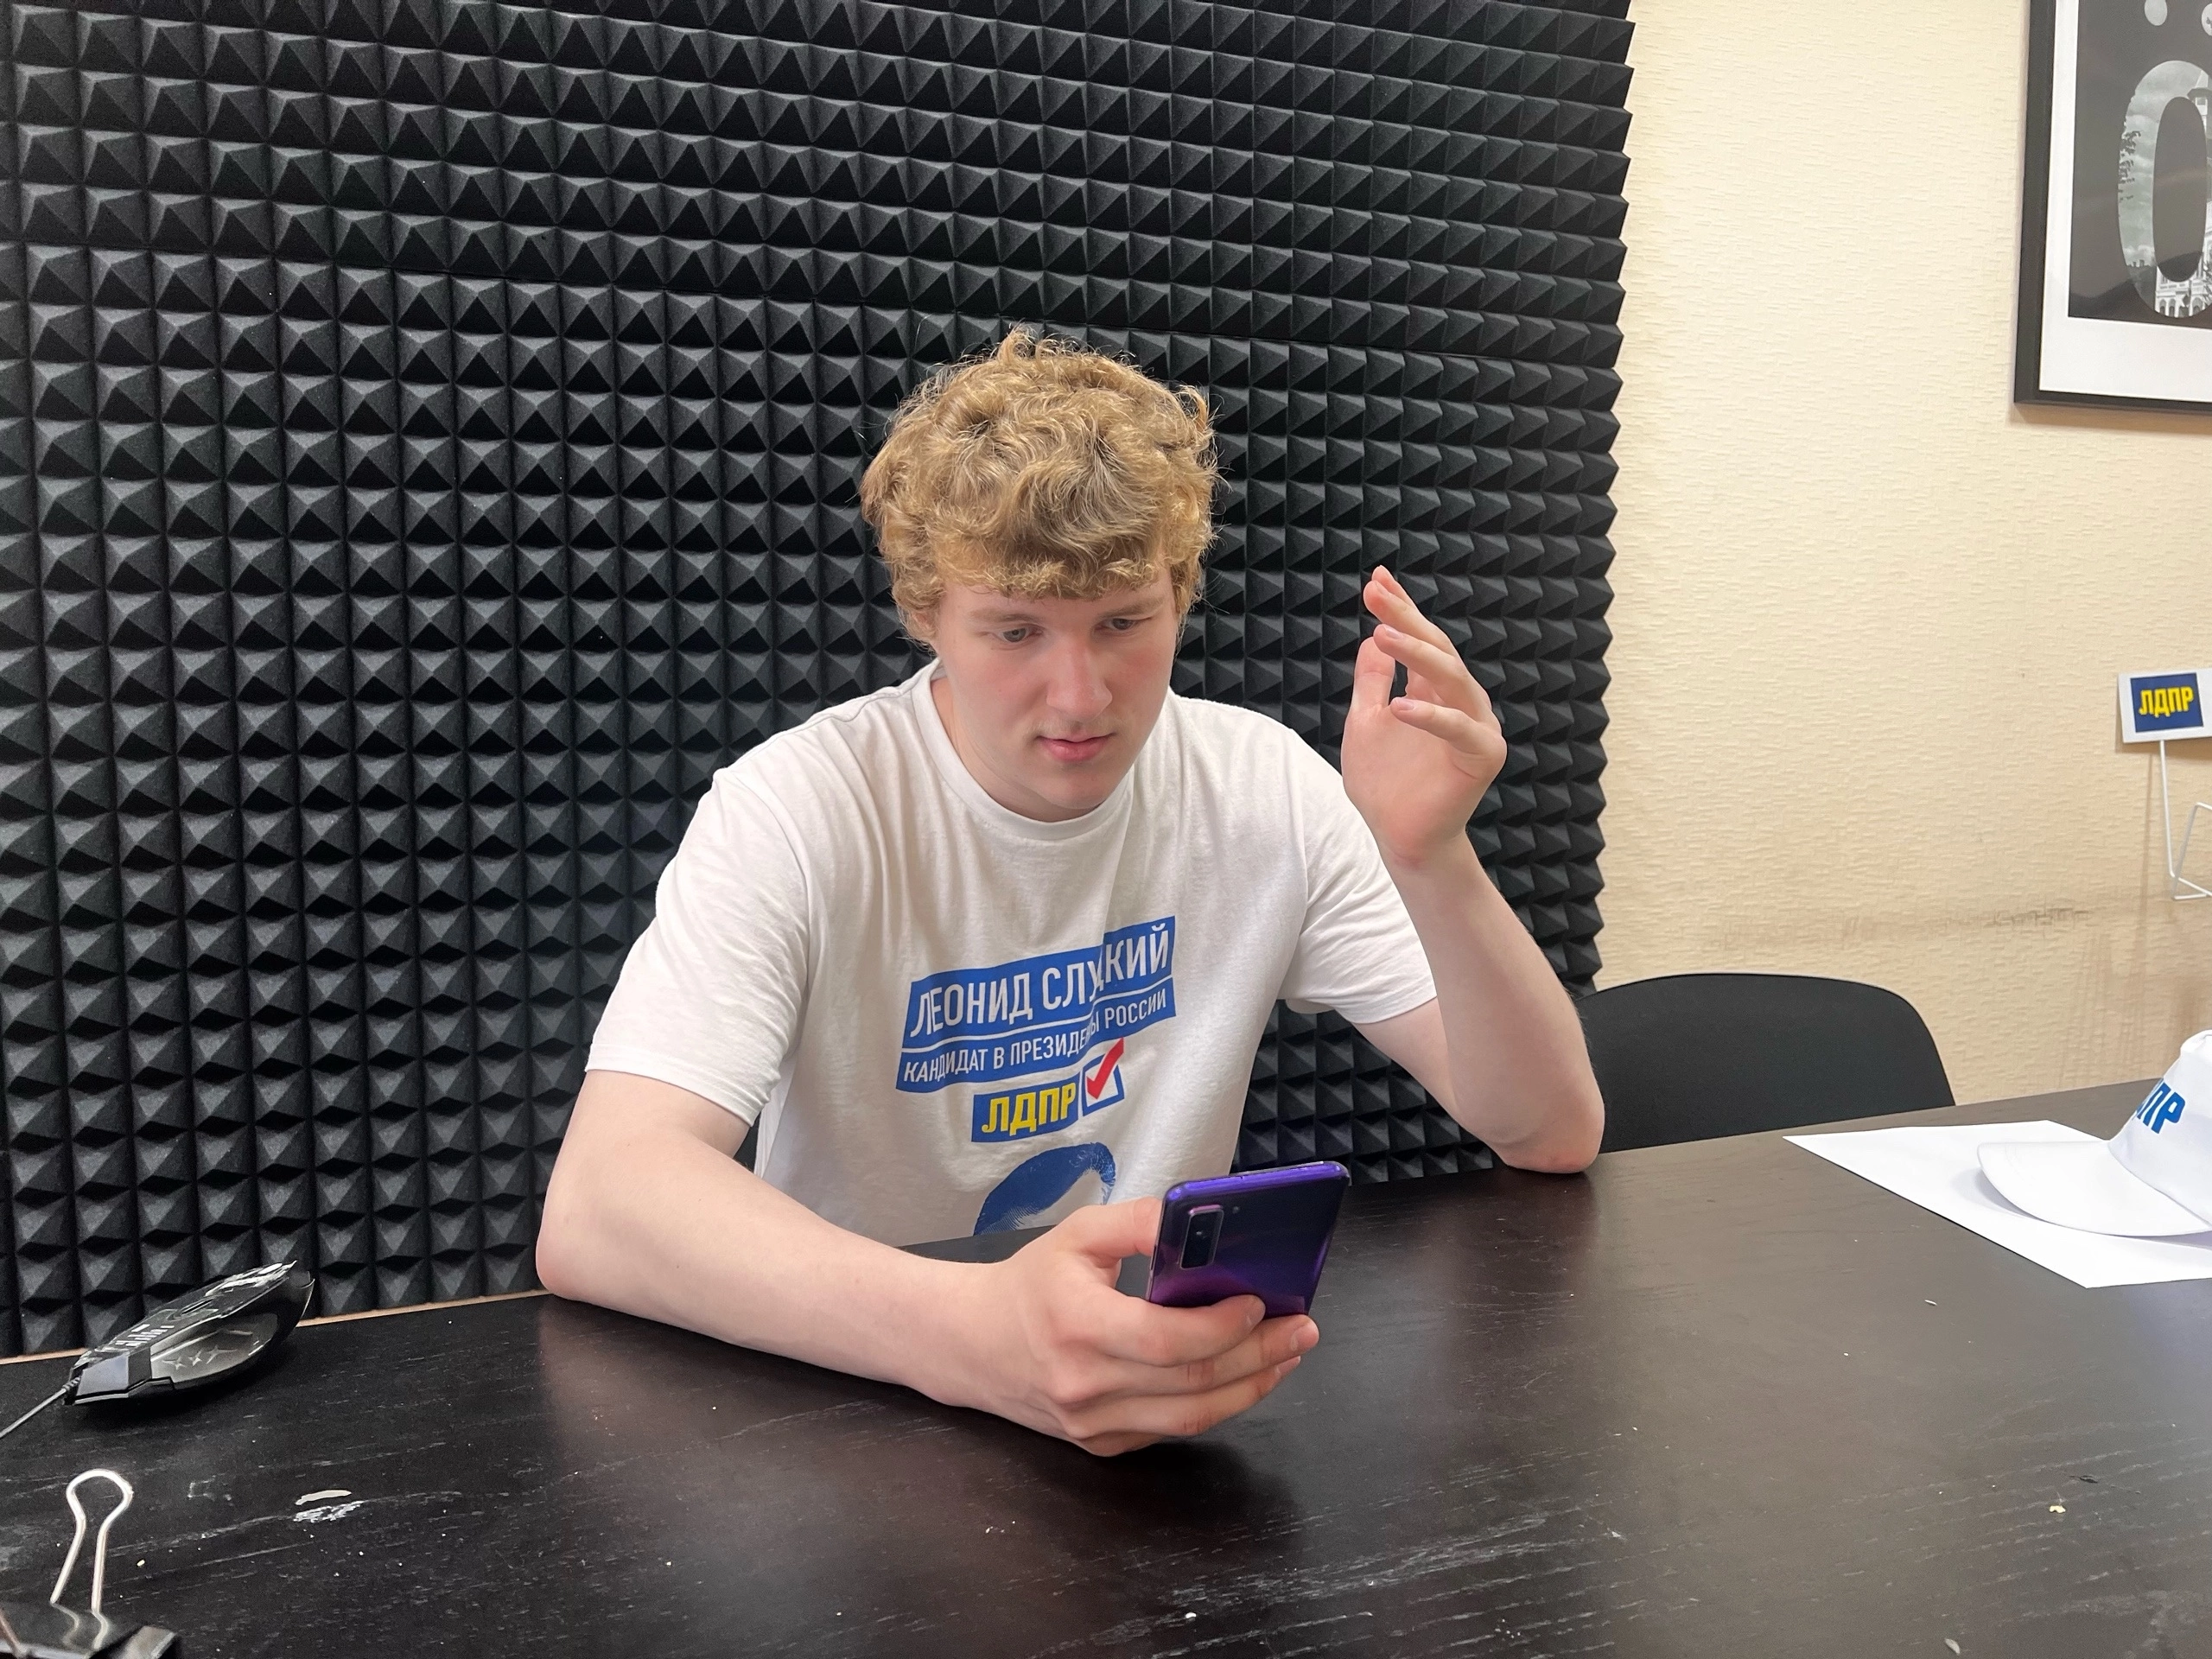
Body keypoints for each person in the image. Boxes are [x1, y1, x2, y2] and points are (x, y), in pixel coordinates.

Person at [537, 332, 1603, 1456]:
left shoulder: (1265, 788)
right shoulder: (802, 808)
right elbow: (602, 1204)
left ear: (1180, 593)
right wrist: (972, 1332)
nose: (1081, 694)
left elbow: (1550, 1131)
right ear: (926, 614)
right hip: (862, 1412)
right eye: (1015, 631)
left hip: (1156, 1411)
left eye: (1123, 623)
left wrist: (1433, 858)